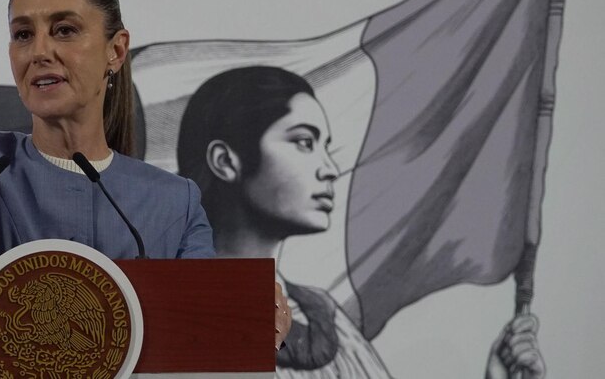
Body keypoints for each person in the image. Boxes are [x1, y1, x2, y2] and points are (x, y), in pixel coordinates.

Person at [0, 0, 290, 348]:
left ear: (116, 51)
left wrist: (251, 317)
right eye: (22, 35)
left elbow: (202, 326)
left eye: (64, 30)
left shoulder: (174, 203)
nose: (39, 51)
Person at [177, 65, 545, 378]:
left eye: (325, 147)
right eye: (304, 142)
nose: (330, 169)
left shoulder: (324, 317)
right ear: (225, 161)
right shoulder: (168, 312)